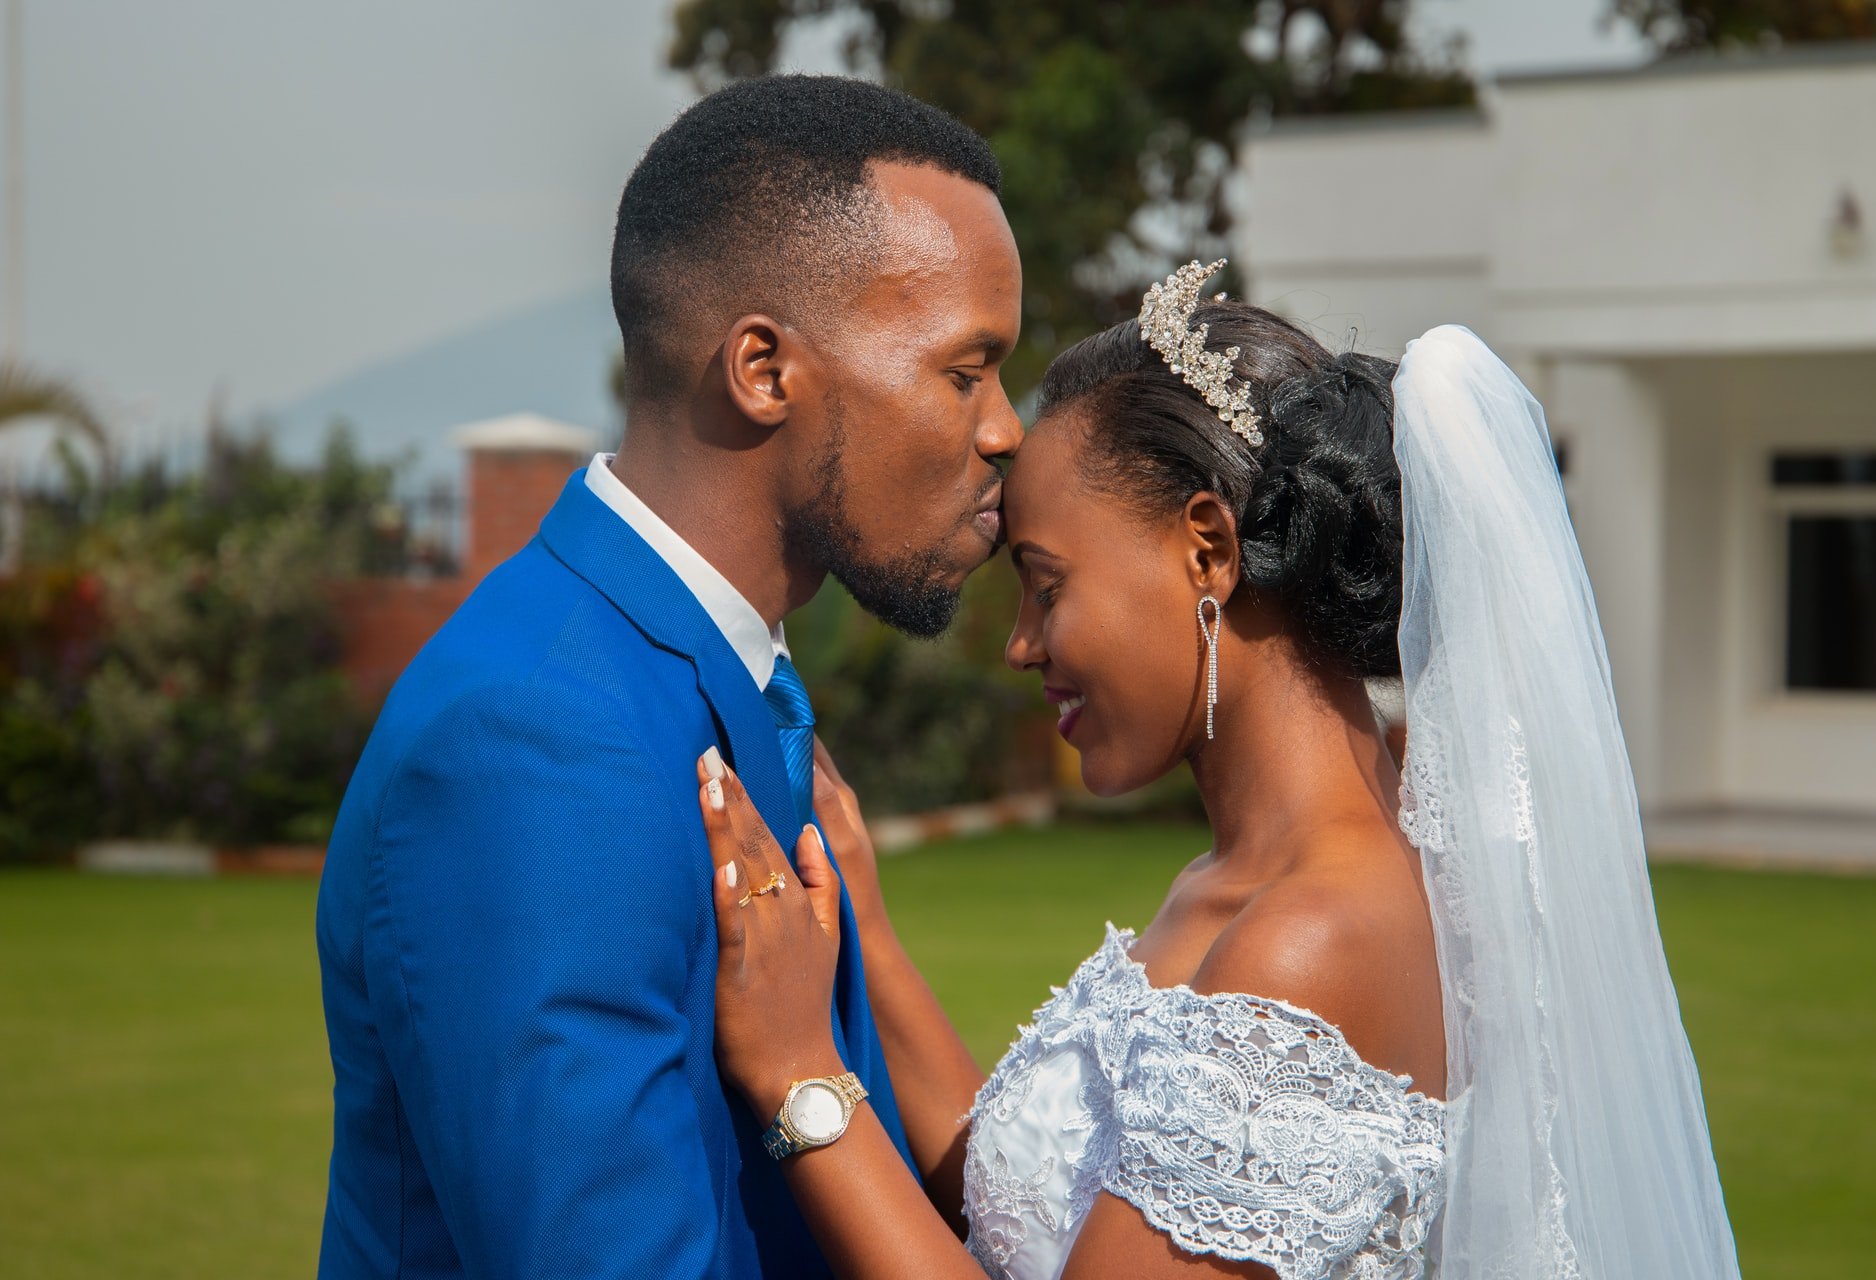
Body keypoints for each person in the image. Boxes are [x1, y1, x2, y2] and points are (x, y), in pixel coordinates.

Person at [698, 263, 1742, 1277]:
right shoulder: (1241, 884)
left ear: (1208, 548)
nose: (1021, 644)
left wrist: (802, 1077)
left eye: (1046, 585)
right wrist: (866, 942)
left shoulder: (1312, 940)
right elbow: (1041, 1209)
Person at [314, 75, 1022, 1278]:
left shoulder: (717, 676)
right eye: (967, 370)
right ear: (762, 368)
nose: (1006, 427)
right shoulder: (533, 736)